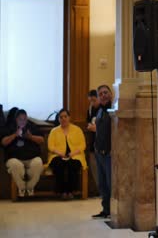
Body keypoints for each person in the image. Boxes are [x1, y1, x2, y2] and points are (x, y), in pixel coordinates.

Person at [1, 109, 44, 197]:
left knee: (38, 163)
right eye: (20, 119)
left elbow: (42, 140)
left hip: (31, 158)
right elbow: (4, 142)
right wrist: (14, 135)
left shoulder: (31, 127)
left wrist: (31, 137)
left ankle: (30, 187)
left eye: (24, 119)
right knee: (15, 165)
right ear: (16, 119)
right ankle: (21, 188)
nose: (23, 121)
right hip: (14, 158)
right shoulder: (10, 127)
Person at [47, 109, 87, 200]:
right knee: (59, 164)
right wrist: (59, 153)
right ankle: (62, 191)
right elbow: (50, 146)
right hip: (58, 155)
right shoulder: (54, 131)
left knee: (72, 164)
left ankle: (71, 191)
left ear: (69, 118)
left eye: (65, 116)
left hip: (75, 155)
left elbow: (82, 145)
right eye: (61, 117)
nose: (63, 119)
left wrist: (73, 153)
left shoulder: (77, 129)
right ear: (58, 119)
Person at [87, 85, 113, 219]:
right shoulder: (99, 112)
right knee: (102, 184)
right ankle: (105, 209)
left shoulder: (113, 111)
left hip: (109, 153)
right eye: (100, 94)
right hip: (99, 152)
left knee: (110, 184)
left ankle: (113, 211)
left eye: (105, 92)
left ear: (111, 93)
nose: (103, 95)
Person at [86, 90, 100, 189]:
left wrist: (96, 128)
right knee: (94, 166)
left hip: (102, 142)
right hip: (93, 142)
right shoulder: (90, 110)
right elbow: (88, 123)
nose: (92, 103)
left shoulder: (103, 109)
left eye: (94, 100)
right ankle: (98, 189)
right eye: (90, 101)